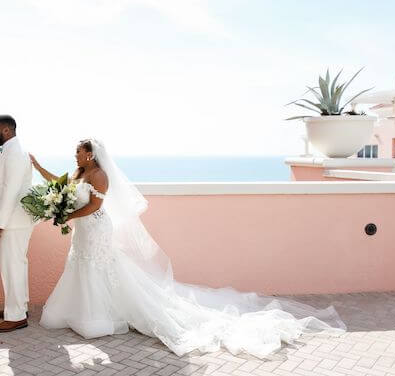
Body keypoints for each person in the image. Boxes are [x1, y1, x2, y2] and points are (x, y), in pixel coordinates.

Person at [29, 139, 346, 358]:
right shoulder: (79, 172)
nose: (75, 155)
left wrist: (66, 215)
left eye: (78, 152)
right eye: (75, 152)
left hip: (94, 226)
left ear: (91, 154)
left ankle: (98, 316)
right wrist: (39, 168)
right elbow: (62, 186)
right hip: (82, 231)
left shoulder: (99, 174)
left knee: (97, 268)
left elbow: (95, 206)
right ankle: (78, 312)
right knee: (81, 266)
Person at [0, 115, 33, 333]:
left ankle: (16, 317)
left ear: (7, 131)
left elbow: (11, 191)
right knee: (16, 265)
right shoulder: (9, 151)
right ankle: (18, 307)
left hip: (12, 222)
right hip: (13, 221)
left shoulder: (15, 154)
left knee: (11, 267)